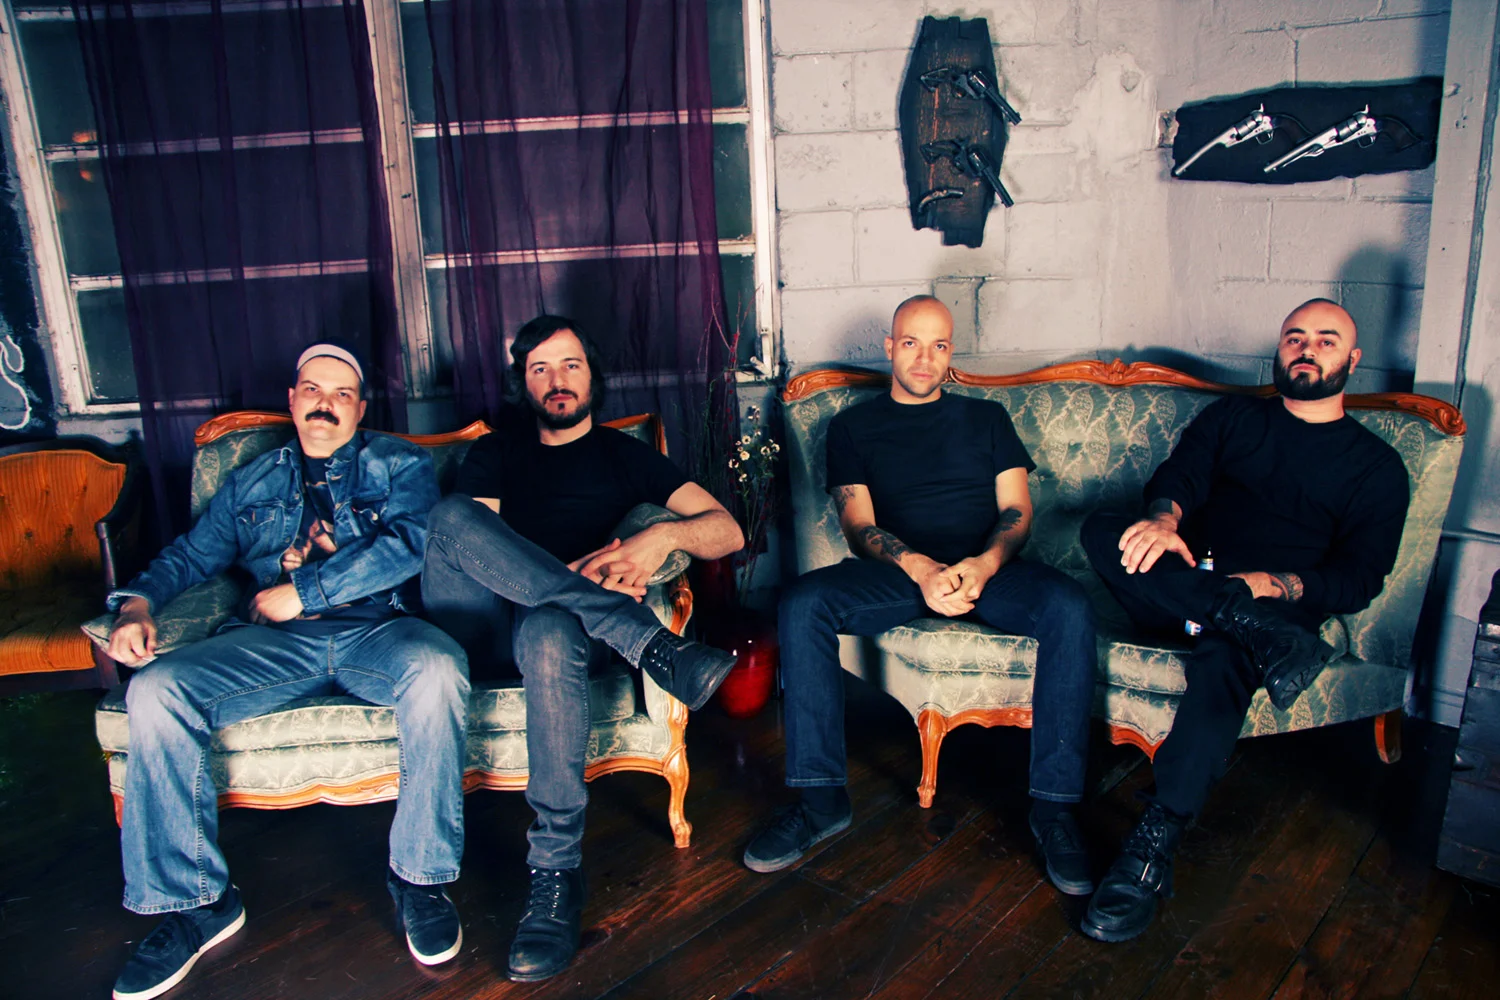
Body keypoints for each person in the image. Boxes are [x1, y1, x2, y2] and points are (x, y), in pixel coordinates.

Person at [105, 342, 471, 1000]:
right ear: (293, 400)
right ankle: (196, 905)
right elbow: (191, 557)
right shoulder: (252, 481)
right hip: (277, 645)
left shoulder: (401, 463)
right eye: (313, 390)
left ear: (360, 408)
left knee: (440, 669)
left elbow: (411, 544)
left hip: (383, 631)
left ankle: (420, 881)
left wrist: (305, 591)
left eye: (341, 393)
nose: (325, 403)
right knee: (157, 689)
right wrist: (135, 604)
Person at [420, 315, 743, 982]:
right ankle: (652, 645)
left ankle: (556, 873)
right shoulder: (496, 453)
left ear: (593, 374)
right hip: (484, 628)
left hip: (564, 641)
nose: (557, 379)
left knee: (548, 627)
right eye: (539, 368)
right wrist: (575, 582)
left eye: (570, 364)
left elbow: (728, 530)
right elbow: (479, 559)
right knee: (452, 517)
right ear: (523, 384)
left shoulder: (627, 456)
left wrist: (663, 537)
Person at [742, 295, 1099, 896]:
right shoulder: (852, 428)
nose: (925, 358)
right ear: (890, 347)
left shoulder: (987, 419)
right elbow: (859, 527)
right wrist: (921, 568)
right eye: (911, 343)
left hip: (990, 569)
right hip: (902, 573)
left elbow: (1017, 511)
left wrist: (983, 564)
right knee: (802, 603)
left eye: (938, 346)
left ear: (950, 352)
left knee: (1069, 606)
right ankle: (820, 803)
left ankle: (1055, 812)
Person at [1078, 298, 1409, 942]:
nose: (1307, 349)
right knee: (1105, 529)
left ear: (1353, 359)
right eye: (1295, 337)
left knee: (1226, 659)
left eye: (1326, 340)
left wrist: (1268, 585)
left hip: (1272, 609)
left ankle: (1151, 849)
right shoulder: (1234, 417)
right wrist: (1163, 519)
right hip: (1185, 593)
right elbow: (1181, 474)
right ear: (1280, 349)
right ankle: (1250, 627)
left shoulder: (1375, 467)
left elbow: (1360, 578)